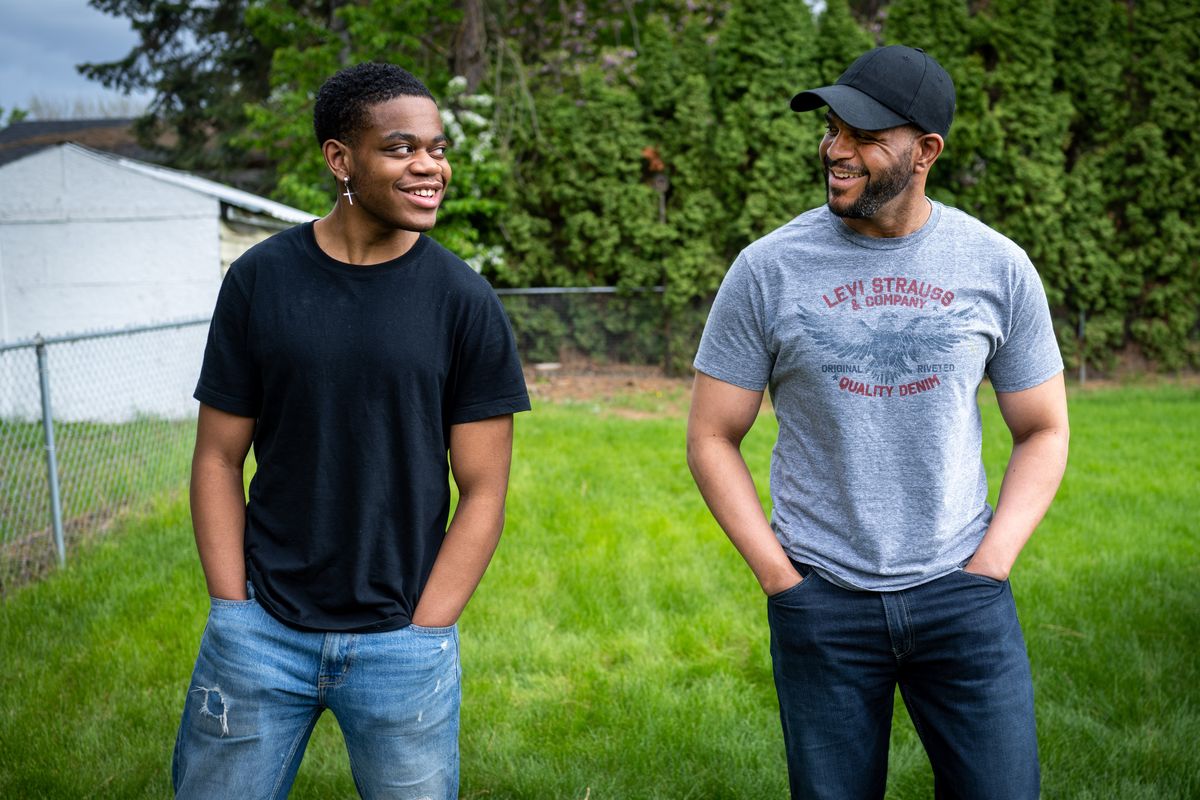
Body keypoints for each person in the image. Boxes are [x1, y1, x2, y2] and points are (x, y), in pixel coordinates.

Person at [686, 45, 1068, 799]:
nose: (837, 150)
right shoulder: (768, 269)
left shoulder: (996, 266)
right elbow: (710, 434)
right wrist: (783, 582)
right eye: (833, 129)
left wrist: (991, 567)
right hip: (820, 597)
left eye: (864, 134)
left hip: (963, 595)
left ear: (926, 151)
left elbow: (1044, 427)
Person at [172, 62, 530, 799]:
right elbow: (216, 456)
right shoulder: (260, 280)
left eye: (435, 147)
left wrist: (428, 628)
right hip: (261, 634)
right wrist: (232, 609)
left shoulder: (463, 301)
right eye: (402, 149)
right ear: (341, 160)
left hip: (403, 644)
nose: (430, 165)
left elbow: (486, 488)